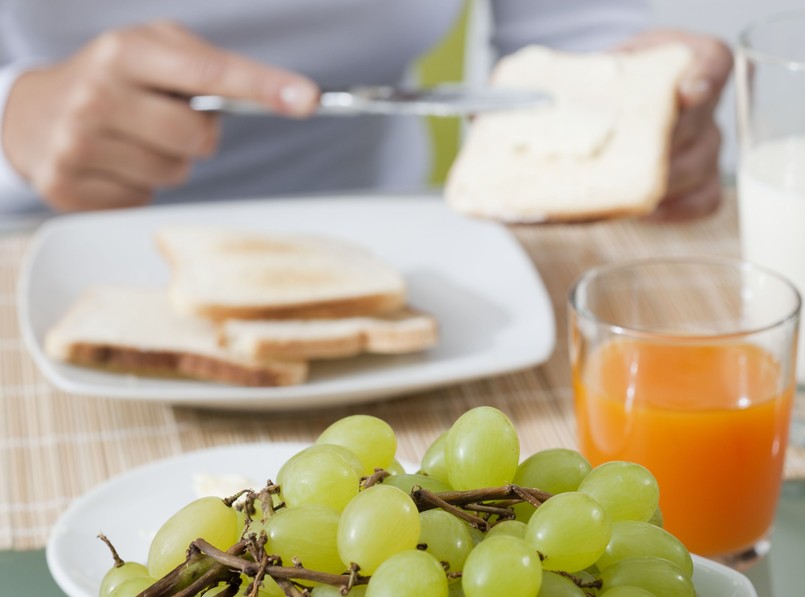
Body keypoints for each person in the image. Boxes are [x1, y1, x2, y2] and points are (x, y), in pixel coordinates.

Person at [0, 0, 731, 220]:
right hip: (37, 243)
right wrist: (13, 114)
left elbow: (570, 36)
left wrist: (639, 106)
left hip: (391, 227)